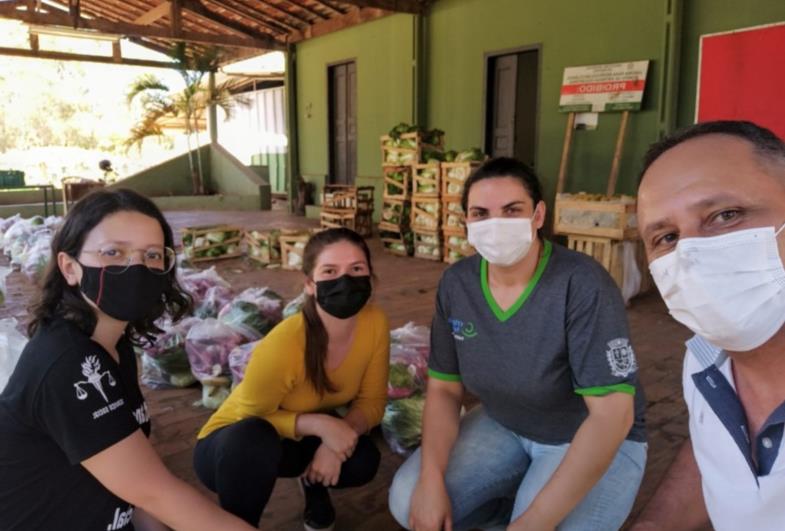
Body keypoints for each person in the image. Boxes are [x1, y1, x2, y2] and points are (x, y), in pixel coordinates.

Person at [389, 157, 648, 531]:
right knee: (408, 500)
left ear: (538, 215)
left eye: (512, 210)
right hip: (506, 422)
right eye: (481, 213)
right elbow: (444, 389)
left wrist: (533, 523)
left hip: (587, 434)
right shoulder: (457, 285)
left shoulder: (581, 284)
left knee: (552, 523)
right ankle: (505, 513)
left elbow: (611, 415)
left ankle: (525, 507)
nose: (496, 224)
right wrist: (431, 480)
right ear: (466, 223)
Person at [0, 189, 252, 530]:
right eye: (113, 252)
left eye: (151, 255)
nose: (136, 268)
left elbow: (140, 490)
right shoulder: (66, 363)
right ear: (70, 267)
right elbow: (155, 493)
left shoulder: (113, 346)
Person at [630, 120, 785, 531]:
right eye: (665, 237)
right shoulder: (703, 360)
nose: (692, 254)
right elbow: (713, 453)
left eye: (725, 215)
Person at [194, 227, 390, 530]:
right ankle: (238, 524)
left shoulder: (375, 324)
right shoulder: (285, 343)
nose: (345, 280)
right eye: (330, 271)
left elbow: (372, 401)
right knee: (253, 440)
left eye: (356, 269)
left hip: (292, 440)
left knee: (362, 460)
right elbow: (250, 417)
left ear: (370, 277)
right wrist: (319, 425)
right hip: (230, 445)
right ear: (310, 285)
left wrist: (335, 443)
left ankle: (314, 486)